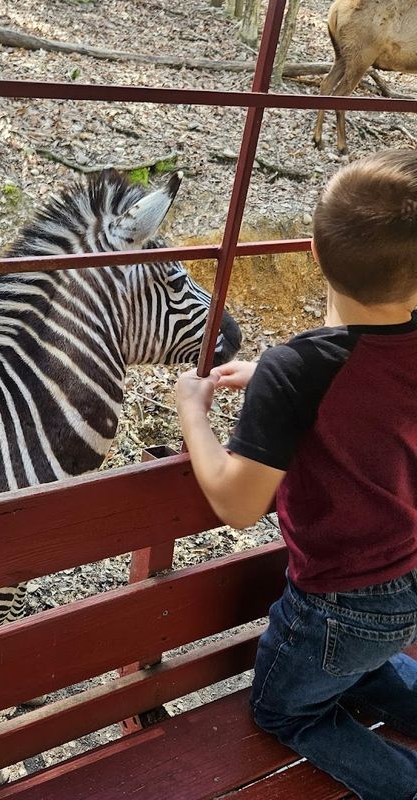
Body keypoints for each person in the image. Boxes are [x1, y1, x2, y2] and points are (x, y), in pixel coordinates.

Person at [175, 148, 417, 800]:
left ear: (312, 248)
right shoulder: (310, 371)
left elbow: (236, 503)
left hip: (336, 605)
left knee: (284, 708)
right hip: (406, 581)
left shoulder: (297, 372)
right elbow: (370, 385)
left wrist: (193, 413)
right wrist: (280, 382)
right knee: (355, 665)